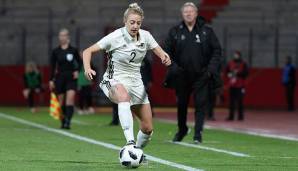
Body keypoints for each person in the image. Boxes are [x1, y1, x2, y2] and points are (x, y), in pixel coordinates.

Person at [82, 3, 171, 150]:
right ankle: (130, 143)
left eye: (138, 23)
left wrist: (165, 57)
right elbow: (87, 51)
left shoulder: (146, 36)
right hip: (113, 80)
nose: (135, 26)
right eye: (132, 22)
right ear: (125, 22)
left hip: (136, 83)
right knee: (123, 97)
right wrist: (87, 68)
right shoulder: (116, 36)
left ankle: (136, 152)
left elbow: (161, 52)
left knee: (147, 128)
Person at [164, 2, 222, 143]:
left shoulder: (207, 31)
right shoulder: (175, 31)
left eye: (191, 11)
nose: (188, 13)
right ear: (182, 14)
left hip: (202, 75)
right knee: (182, 105)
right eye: (186, 11)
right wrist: (174, 68)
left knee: (201, 104)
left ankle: (198, 134)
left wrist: (210, 70)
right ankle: (182, 129)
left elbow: (217, 51)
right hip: (182, 76)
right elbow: (166, 52)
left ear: (196, 13)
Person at [49, 28, 81, 129]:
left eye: (64, 35)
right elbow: (53, 67)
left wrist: (77, 70)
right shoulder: (56, 51)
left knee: (70, 99)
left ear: (68, 37)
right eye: (60, 35)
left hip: (71, 78)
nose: (62, 37)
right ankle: (63, 121)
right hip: (60, 78)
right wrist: (51, 80)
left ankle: (68, 122)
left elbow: (80, 62)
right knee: (61, 101)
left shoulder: (73, 50)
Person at [225, 51, 248, 121]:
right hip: (232, 85)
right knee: (231, 102)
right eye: (235, 55)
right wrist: (229, 74)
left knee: (240, 101)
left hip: (240, 85)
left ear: (239, 56)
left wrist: (238, 74)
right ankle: (231, 116)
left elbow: (246, 73)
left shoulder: (243, 63)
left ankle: (240, 116)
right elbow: (226, 71)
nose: (235, 56)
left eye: (237, 55)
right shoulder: (230, 63)